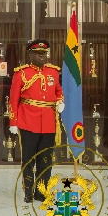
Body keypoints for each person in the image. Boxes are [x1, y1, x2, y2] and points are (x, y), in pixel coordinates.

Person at [8, 39, 64, 203]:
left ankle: (42, 191)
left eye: (44, 53)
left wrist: (60, 101)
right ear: (30, 54)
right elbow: (13, 100)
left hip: (48, 122)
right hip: (28, 121)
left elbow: (58, 91)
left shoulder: (53, 72)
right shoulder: (21, 73)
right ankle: (28, 191)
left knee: (45, 159)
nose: (42, 56)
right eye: (38, 53)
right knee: (28, 159)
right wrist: (13, 121)